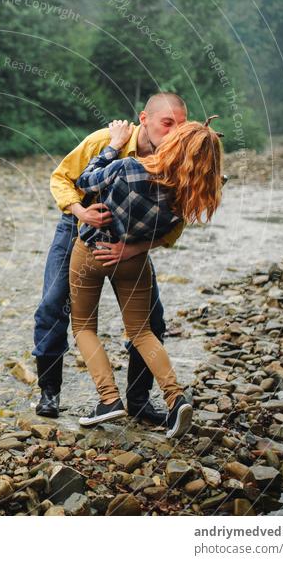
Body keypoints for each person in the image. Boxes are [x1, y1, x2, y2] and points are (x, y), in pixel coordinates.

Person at [33, 93, 187, 423]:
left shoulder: (178, 156)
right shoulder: (105, 140)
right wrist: (79, 211)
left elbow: (177, 222)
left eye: (181, 125)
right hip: (77, 227)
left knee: (153, 320)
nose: (174, 131)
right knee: (52, 305)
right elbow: (61, 177)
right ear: (144, 120)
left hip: (133, 244)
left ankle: (139, 400)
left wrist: (134, 249)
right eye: (167, 123)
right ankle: (50, 391)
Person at [70, 116, 224, 438]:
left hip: (91, 251)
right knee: (142, 332)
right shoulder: (186, 194)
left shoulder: (128, 167)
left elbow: (84, 181)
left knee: (84, 326)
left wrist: (112, 146)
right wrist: (131, 247)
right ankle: (175, 397)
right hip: (133, 259)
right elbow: (169, 232)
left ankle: (109, 399)